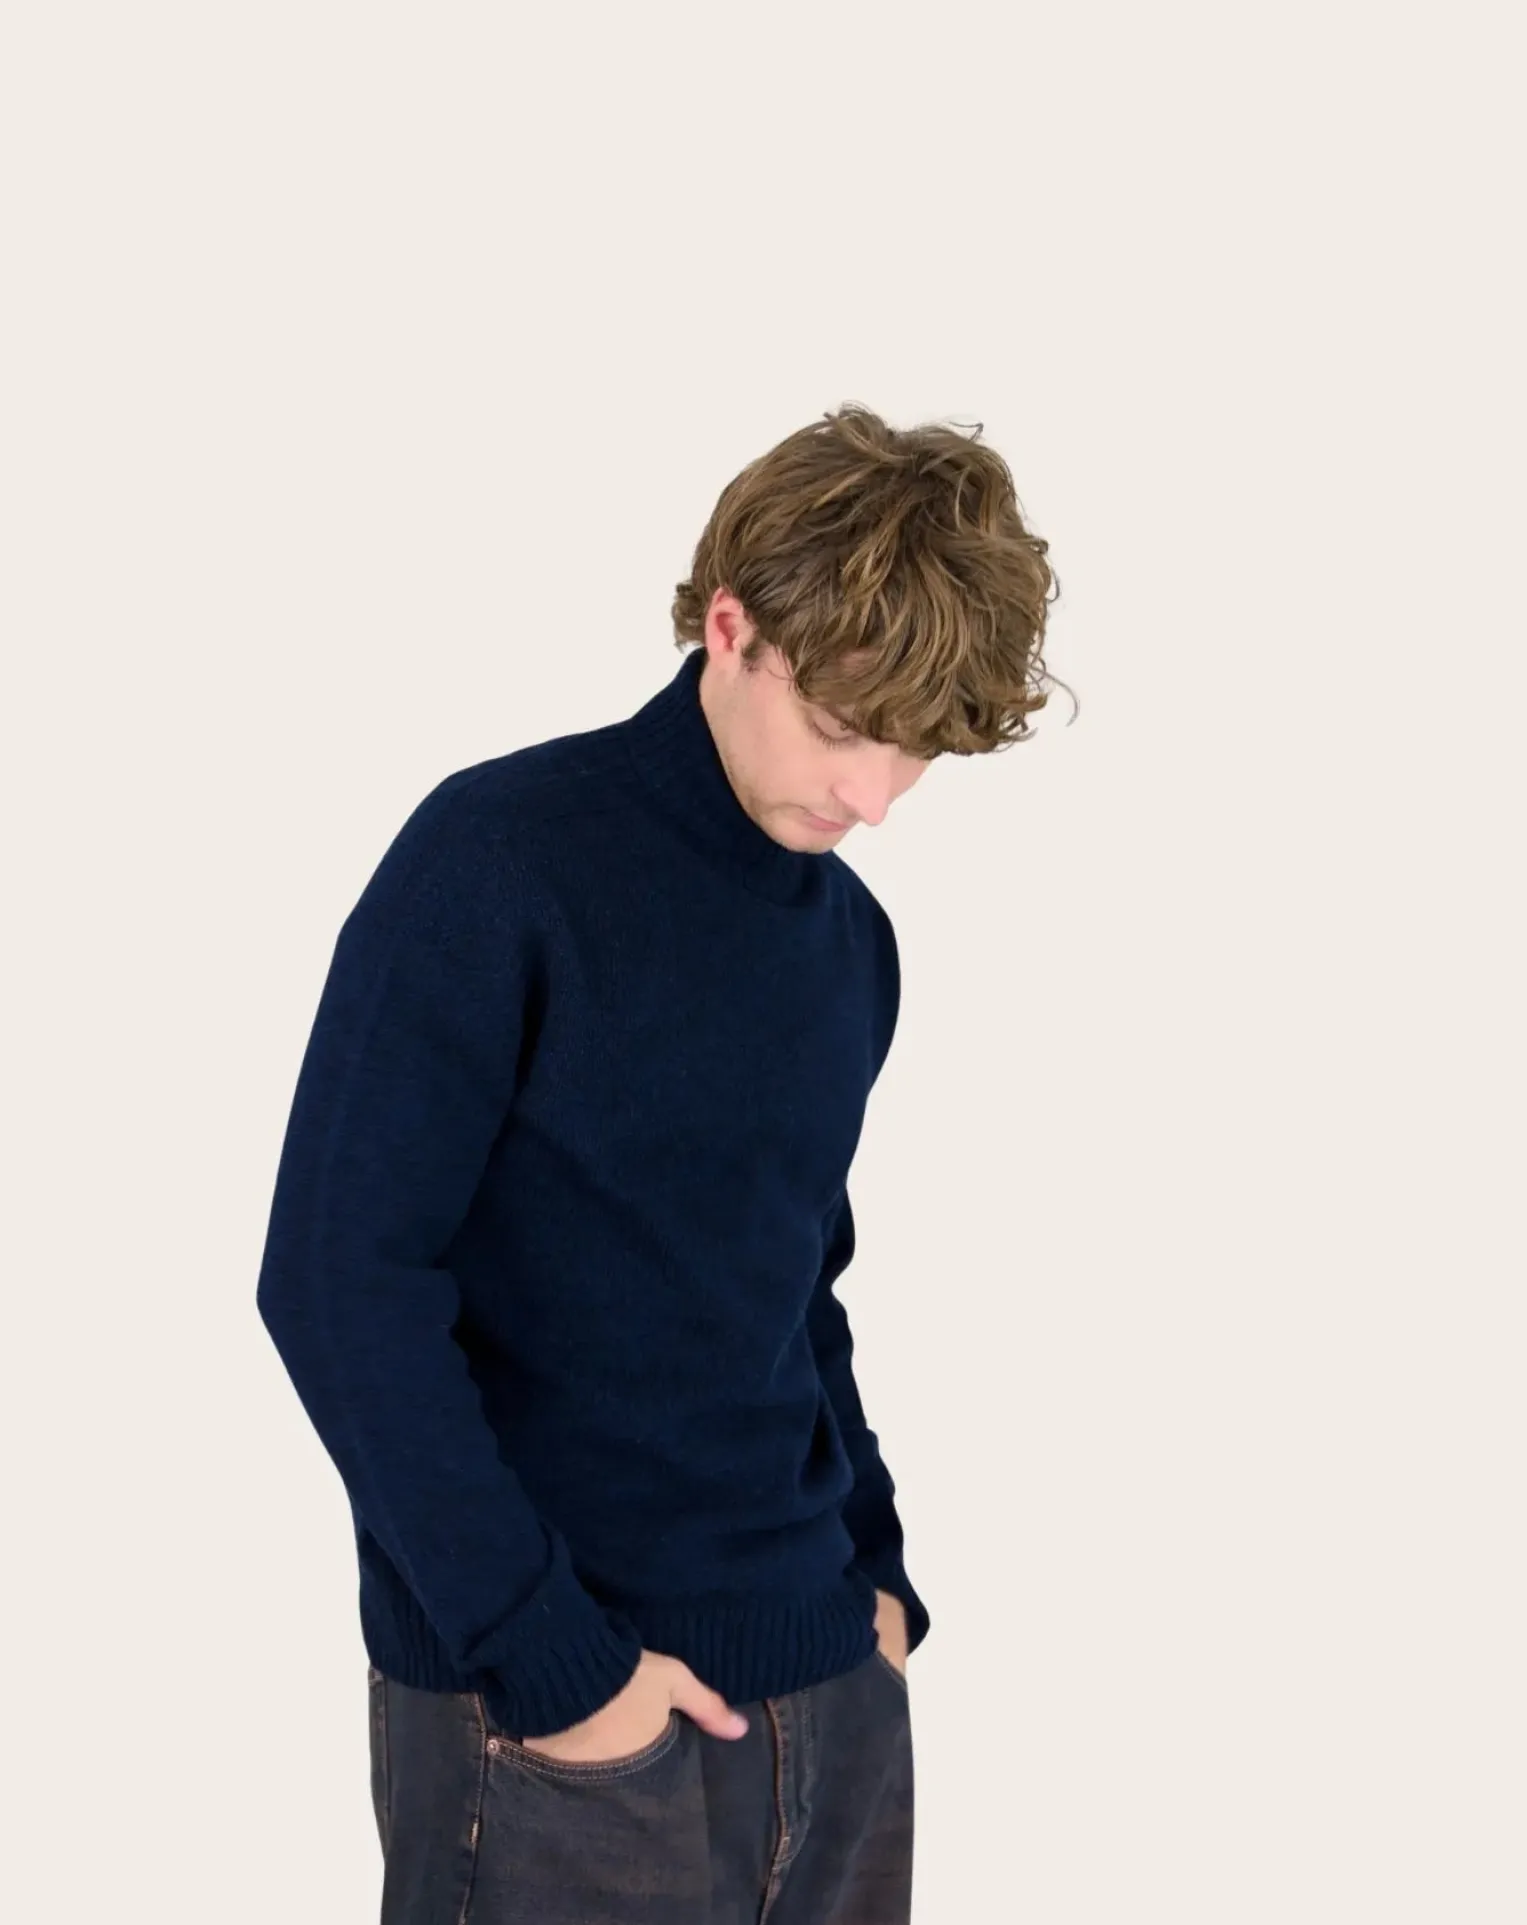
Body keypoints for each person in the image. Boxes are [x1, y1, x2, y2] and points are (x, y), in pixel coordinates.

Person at [255, 401, 1060, 1922]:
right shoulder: (498, 859)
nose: (873, 797)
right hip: (559, 1726)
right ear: (731, 629)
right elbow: (337, 1282)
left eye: (914, 750)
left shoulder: (850, 944)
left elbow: (790, 1290)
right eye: (844, 725)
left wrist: (875, 1582)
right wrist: (552, 1664)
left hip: (827, 1692)